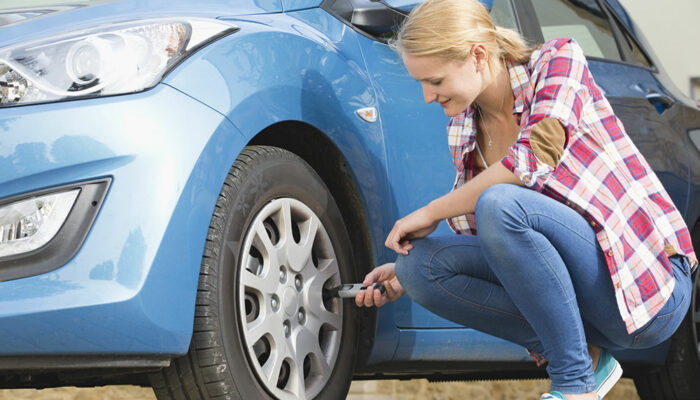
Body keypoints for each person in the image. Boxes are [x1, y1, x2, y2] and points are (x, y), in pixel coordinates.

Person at [354, 0, 698, 399]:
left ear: (478, 55)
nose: (428, 96)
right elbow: (511, 248)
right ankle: (585, 357)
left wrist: (432, 212)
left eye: (435, 81)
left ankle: (573, 383)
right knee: (418, 267)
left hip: (648, 288)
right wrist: (404, 275)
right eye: (421, 84)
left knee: (500, 204)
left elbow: (534, 157)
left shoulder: (557, 62)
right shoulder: (464, 131)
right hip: (583, 300)